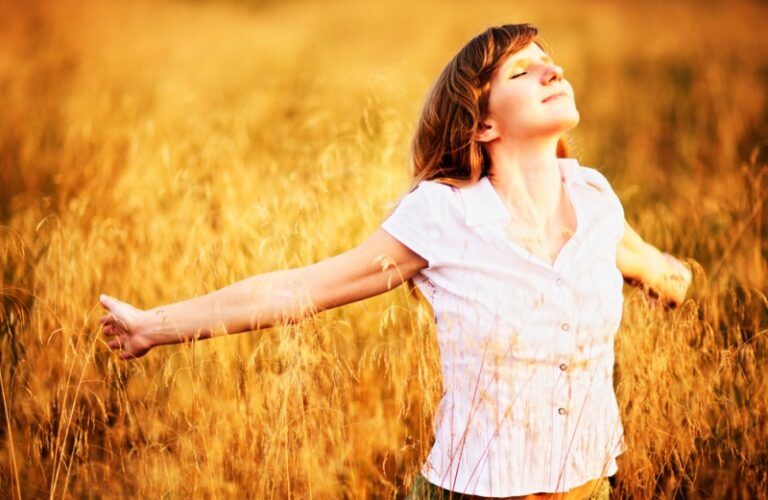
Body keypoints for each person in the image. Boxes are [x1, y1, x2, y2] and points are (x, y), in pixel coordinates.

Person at [98, 23, 692, 500]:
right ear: (482, 123)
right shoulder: (444, 215)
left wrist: (676, 281)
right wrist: (154, 326)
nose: (551, 70)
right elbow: (299, 289)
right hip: (472, 493)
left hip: (589, 487)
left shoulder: (595, 200)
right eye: (522, 69)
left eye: (548, 60)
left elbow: (652, 267)